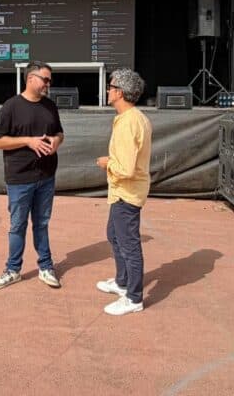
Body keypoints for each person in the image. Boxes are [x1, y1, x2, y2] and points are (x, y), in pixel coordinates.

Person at [0, 61, 64, 290]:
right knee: (17, 225)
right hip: (20, 179)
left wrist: (56, 142)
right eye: (45, 79)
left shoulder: (50, 106)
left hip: (46, 177)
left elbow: (59, 132)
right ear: (31, 78)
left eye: (50, 80)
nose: (48, 84)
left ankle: (46, 267)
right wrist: (28, 141)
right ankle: (13, 270)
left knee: (41, 224)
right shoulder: (11, 107)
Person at [95, 68, 152, 316]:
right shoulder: (132, 118)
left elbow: (126, 168)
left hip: (127, 191)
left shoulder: (130, 122)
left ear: (119, 92)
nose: (107, 90)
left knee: (128, 244)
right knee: (114, 235)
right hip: (122, 191)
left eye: (110, 86)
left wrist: (108, 163)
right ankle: (122, 282)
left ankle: (134, 297)